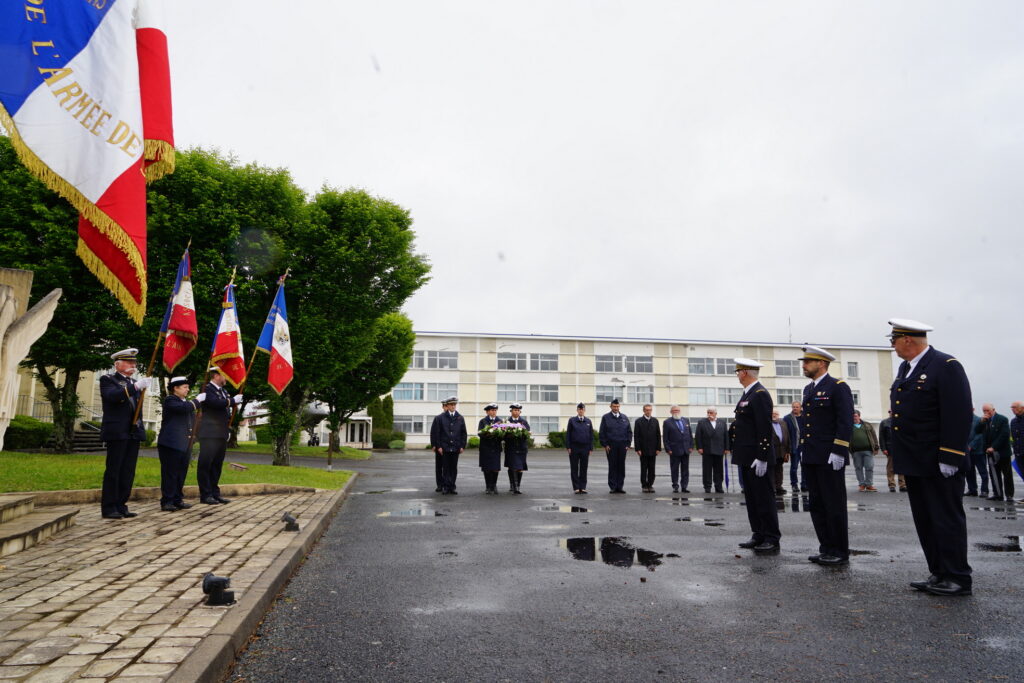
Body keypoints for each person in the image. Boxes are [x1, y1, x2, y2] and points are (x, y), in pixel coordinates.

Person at [888, 318, 973, 596]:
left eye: (894, 340)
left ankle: (958, 577)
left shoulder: (945, 366)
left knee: (945, 518)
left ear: (907, 340)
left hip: (938, 460)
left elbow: (957, 413)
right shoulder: (906, 368)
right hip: (915, 460)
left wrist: (951, 455)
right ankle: (938, 572)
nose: (893, 345)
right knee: (925, 519)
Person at [799, 345, 854, 567]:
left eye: (807, 362)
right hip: (812, 454)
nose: (804, 365)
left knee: (834, 504)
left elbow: (845, 420)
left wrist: (839, 450)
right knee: (817, 504)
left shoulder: (838, 387)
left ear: (821, 363)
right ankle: (826, 548)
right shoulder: (808, 389)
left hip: (830, 455)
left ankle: (839, 550)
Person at [732, 359, 780, 554]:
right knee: (752, 498)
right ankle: (758, 533)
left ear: (744, 372)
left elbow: (764, 427)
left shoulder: (759, 394)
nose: (737, 376)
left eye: (738, 372)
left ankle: (771, 537)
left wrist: (762, 456)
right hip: (746, 456)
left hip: (757, 457)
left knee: (764, 497)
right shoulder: (748, 394)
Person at [99, 348, 150, 519]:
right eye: (129, 362)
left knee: (128, 471)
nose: (133, 365)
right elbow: (113, 397)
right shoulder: (108, 379)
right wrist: (135, 387)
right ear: (117, 364)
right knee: (114, 470)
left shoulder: (134, 382)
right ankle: (109, 507)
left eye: (134, 363)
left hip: (132, 432)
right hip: (117, 431)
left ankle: (121, 504)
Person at [197, 367, 242, 505]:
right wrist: (232, 401)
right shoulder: (207, 388)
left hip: (221, 433)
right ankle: (205, 494)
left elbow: (225, 410)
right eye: (225, 375)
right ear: (216, 375)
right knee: (206, 464)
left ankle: (215, 493)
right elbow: (214, 403)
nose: (227, 378)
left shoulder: (223, 391)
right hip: (210, 433)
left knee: (217, 465)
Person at [157, 376, 200, 511]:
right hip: (171, 443)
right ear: (175, 388)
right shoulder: (171, 400)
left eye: (188, 387)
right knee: (170, 473)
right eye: (185, 387)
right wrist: (197, 401)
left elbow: (190, 419)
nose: (188, 389)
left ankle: (177, 499)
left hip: (184, 443)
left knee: (181, 473)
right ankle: (167, 501)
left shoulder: (185, 402)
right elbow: (183, 408)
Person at [430, 396, 467, 495]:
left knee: (453, 468)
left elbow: (463, 433)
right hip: (445, 447)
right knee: (445, 468)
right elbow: (437, 433)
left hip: (455, 447)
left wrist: (462, 445)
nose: (453, 406)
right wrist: (439, 446)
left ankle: (452, 486)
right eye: (451, 405)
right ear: (447, 406)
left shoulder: (460, 418)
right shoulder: (440, 418)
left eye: (454, 404)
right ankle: (445, 486)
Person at [976, 403, 1012, 502]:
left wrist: (994, 447)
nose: (986, 413)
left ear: (993, 409)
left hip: (1002, 452)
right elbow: (977, 431)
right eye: (984, 411)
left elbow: (1003, 435)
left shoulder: (1002, 419)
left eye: (988, 410)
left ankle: (1009, 495)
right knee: (994, 474)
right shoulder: (985, 421)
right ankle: (997, 494)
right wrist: (982, 422)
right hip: (990, 453)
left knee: (1007, 474)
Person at [599, 399, 631, 493]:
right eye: (614, 406)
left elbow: (629, 432)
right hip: (611, 446)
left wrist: (628, 444)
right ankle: (613, 486)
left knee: (621, 466)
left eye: (617, 406)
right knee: (612, 466)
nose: (616, 408)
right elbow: (602, 432)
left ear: (619, 407)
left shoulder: (624, 417)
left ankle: (620, 486)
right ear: (611, 406)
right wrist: (605, 444)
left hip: (622, 445)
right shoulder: (606, 417)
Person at [694, 408, 729, 493]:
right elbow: (698, 436)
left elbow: (726, 436)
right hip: (707, 450)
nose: (709, 414)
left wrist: (727, 448)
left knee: (719, 470)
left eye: (711, 412)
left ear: (716, 413)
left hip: (719, 450)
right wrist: (699, 447)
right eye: (708, 412)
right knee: (707, 470)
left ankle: (719, 486)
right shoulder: (702, 422)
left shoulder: (722, 422)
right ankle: (707, 487)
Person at [663, 405, 694, 493]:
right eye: (674, 410)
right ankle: (675, 486)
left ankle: (684, 486)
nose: (676, 412)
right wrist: (668, 449)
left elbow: (690, 434)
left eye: (677, 410)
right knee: (674, 469)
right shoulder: (667, 422)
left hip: (685, 450)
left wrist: (691, 446)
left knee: (685, 470)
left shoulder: (686, 420)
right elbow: (665, 437)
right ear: (671, 412)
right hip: (674, 450)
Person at [565, 402, 594, 494]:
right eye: (579, 409)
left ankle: (583, 487)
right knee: (574, 468)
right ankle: (576, 487)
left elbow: (591, 435)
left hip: (585, 448)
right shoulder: (572, 420)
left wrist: (590, 448)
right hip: (574, 447)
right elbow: (568, 434)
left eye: (582, 409)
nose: (581, 411)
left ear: (584, 410)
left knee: (584, 468)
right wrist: (568, 447)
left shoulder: (588, 421)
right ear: (577, 410)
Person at [633, 404, 661, 493]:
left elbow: (658, 435)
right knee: (644, 468)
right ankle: (644, 485)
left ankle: (650, 485)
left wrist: (658, 448)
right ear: (643, 411)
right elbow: (636, 436)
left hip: (653, 449)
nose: (648, 411)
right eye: (647, 410)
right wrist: (638, 449)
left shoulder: (655, 421)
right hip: (643, 449)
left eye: (650, 410)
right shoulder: (638, 421)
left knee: (652, 468)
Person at [850, 410, 880, 492]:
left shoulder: (867, 425)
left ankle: (869, 485)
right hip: (855, 451)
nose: (854, 418)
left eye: (855, 416)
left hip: (868, 450)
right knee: (858, 468)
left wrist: (876, 446)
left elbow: (874, 436)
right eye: (852, 416)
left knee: (869, 467)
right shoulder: (848, 426)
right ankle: (862, 484)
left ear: (859, 416)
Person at [504, 403, 530, 494]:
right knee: (513, 466)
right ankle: (514, 486)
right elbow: (503, 435)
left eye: (518, 410)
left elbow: (527, 433)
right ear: (511, 411)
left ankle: (517, 485)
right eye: (514, 410)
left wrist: (523, 433)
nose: (516, 412)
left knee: (520, 467)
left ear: (520, 412)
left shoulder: (524, 422)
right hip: (511, 448)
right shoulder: (507, 422)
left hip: (521, 448)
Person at [477, 402, 503, 494]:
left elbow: (503, 435)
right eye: (492, 410)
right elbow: (480, 433)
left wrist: (499, 434)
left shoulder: (500, 421)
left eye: (495, 410)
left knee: (495, 468)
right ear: (487, 412)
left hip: (496, 448)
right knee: (487, 468)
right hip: (486, 448)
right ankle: (488, 486)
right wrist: (489, 434)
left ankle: (494, 485)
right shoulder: (483, 421)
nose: (494, 412)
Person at [878, 410, 907, 492]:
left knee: (902, 467)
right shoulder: (884, 422)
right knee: (890, 468)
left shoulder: (901, 421)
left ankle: (902, 485)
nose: (892, 413)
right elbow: (881, 437)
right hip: (890, 447)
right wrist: (883, 448)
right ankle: (892, 485)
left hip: (901, 447)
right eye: (891, 412)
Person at [783, 401, 806, 492]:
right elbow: (786, 433)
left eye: (797, 407)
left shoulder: (805, 417)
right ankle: (794, 484)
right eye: (793, 407)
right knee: (794, 467)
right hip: (794, 446)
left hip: (805, 446)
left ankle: (804, 484)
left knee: (805, 466)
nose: (795, 408)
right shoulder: (787, 418)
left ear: (801, 408)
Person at [964, 409, 987, 497]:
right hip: (967, 450)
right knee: (969, 471)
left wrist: (971, 445)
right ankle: (972, 489)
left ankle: (984, 490)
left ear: (972, 409)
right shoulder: (964, 419)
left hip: (978, 450)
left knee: (982, 471)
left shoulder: (978, 420)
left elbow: (980, 435)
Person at [770, 410, 790, 495]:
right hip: (772, 451)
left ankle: (779, 486)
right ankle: (772, 487)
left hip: (782, 451)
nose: (774, 415)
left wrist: (788, 451)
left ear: (779, 415)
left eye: (776, 414)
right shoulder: (767, 423)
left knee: (779, 470)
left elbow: (787, 437)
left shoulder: (783, 423)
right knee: (772, 470)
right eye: (773, 414)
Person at [1011, 402, 1024, 491]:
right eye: (1012, 407)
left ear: (1022, 408)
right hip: (1018, 452)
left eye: (1015, 407)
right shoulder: (1013, 421)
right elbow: (1012, 438)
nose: (1013, 409)